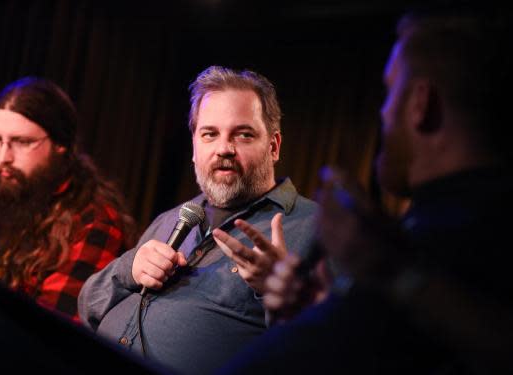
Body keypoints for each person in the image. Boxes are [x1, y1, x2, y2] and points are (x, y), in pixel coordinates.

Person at [217, 8, 513, 375]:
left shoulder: (466, 237)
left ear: (421, 104)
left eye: (390, 92)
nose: (384, 114)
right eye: (208, 133)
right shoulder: (428, 233)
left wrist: (400, 277)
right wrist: (318, 310)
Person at [78, 65, 318, 375]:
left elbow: (332, 351)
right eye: (210, 134)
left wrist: (278, 293)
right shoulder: (169, 220)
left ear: (273, 147)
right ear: (194, 147)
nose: (223, 149)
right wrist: (129, 268)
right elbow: (88, 306)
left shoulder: (315, 228)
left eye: (243, 135)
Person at [0, 77, 137, 322]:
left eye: (22, 142)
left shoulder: (94, 221)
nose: (3, 157)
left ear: (60, 144)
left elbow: (47, 333)